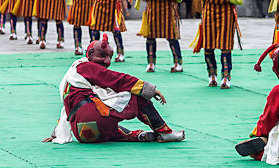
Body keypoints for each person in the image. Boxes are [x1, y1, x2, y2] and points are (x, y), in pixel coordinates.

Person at [44, 35, 185, 144]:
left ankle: (137, 136)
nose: (107, 62)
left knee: (107, 125)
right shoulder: (86, 67)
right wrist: (148, 89)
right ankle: (165, 132)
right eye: (103, 56)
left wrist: (56, 133)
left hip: (83, 133)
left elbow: (67, 107)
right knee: (136, 96)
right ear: (91, 53)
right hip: (93, 121)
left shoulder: (75, 70)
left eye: (109, 57)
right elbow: (116, 79)